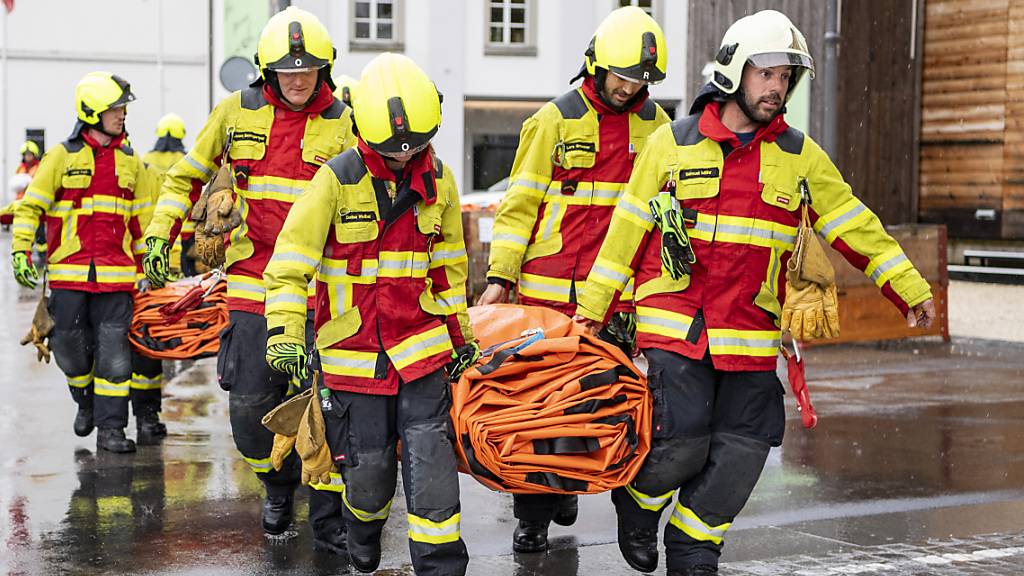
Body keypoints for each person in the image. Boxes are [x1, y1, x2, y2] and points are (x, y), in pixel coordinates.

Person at [573, 10, 937, 575]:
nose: (777, 87)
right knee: (682, 445)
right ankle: (639, 504)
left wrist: (909, 287)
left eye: (785, 76)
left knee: (743, 452)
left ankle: (695, 545)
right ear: (732, 71)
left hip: (749, 331)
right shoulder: (672, 144)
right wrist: (592, 314)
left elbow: (854, 224)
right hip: (679, 328)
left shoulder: (800, 156)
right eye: (765, 73)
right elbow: (623, 237)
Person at [141, 6, 356, 552]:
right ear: (267, 69)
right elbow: (185, 175)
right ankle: (276, 485)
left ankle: (328, 515)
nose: (299, 77)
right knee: (249, 410)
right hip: (254, 286)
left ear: (325, 68)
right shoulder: (235, 112)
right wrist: (161, 232)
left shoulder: (348, 123)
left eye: (308, 67)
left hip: (324, 291)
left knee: (330, 406)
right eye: (287, 68)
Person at [263, 52, 476, 576]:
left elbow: (448, 270)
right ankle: (362, 528)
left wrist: (461, 335)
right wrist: (285, 333)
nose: (405, 159)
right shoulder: (335, 181)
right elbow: (288, 265)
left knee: (431, 470)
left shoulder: (440, 182)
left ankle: (441, 566)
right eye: (393, 151)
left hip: (422, 352)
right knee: (371, 476)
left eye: (417, 147)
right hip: (354, 360)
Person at [476, 5, 671, 553]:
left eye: (642, 80)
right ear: (597, 64)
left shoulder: (657, 129)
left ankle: (597, 498)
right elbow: (519, 206)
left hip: (619, 299)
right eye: (623, 76)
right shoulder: (552, 121)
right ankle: (534, 515)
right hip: (548, 295)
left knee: (607, 404)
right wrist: (500, 277)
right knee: (537, 409)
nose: (631, 88)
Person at [11, 71, 162, 454]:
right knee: (68, 350)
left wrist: (151, 268)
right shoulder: (60, 156)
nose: (122, 114)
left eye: (124, 108)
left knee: (114, 358)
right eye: (116, 108)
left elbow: (143, 222)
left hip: (116, 281)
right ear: (92, 111)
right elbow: (31, 207)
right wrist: (21, 249)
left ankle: (111, 430)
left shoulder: (132, 162)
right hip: (69, 276)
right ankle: (86, 401)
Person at [143, 113, 195, 277]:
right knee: (186, 276)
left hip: (157, 227)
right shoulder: (185, 159)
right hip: (184, 228)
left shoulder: (146, 159)